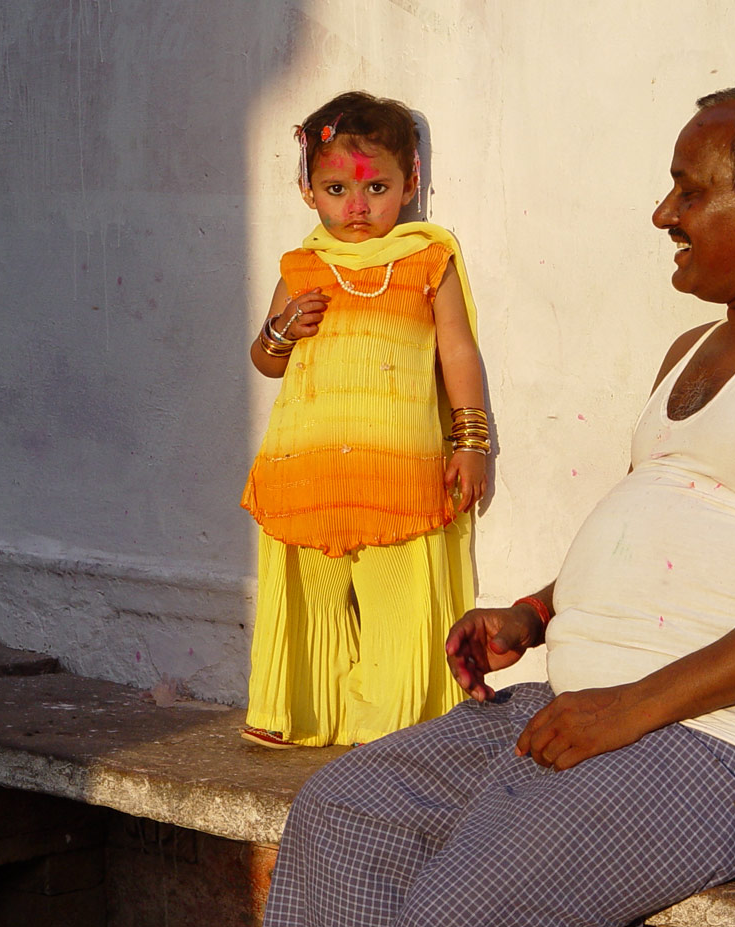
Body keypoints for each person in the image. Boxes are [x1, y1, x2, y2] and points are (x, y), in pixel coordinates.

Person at [262, 80, 735, 926]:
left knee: (460, 907)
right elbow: (663, 539)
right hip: (592, 708)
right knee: (341, 815)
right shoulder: (691, 350)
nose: (664, 213)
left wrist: (632, 707)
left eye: (690, 190)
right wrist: (535, 613)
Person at [240, 91, 490, 748]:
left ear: (410, 181)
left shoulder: (426, 259)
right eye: (335, 188)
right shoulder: (303, 266)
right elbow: (265, 361)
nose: (356, 207)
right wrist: (280, 328)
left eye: (376, 186)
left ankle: (392, 722)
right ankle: (297, 707)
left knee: (399, 600)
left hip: (396, 469)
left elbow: (458, 351)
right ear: (307, 191)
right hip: (308, 467)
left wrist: (472, 440)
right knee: (306, 593)